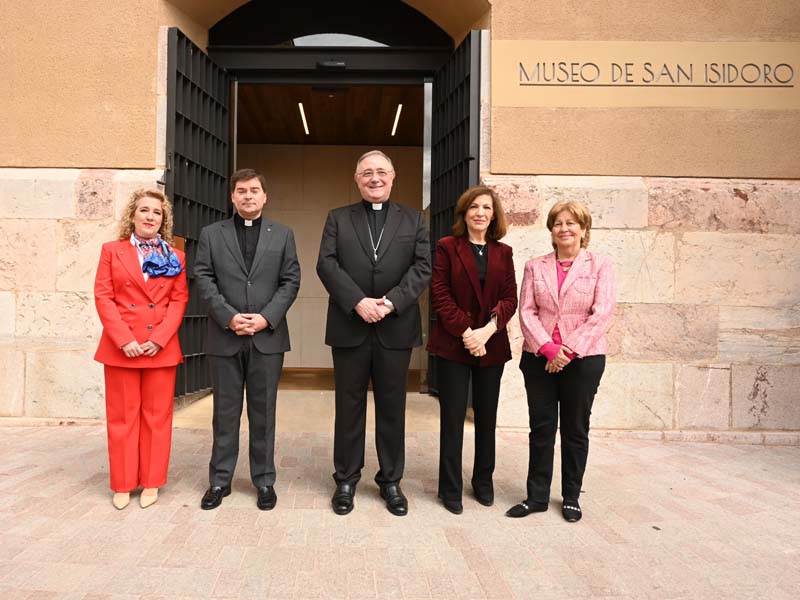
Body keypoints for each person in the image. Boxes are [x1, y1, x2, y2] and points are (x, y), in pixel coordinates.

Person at [317, 150, 431, 516]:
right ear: (357, 179)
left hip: (395, 327)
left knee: (392, 408)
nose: (375, 178)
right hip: (350, 326)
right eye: (367, 173)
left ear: (393, 176)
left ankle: (391, 481)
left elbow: (423, 268)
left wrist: (390, 303)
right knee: (348, 407)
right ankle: (346, 480)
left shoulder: (414, 220)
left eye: (381, 172)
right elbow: (327, 264)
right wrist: (358, 302)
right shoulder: (338, 218)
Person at [194, 168, 301, 510]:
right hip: (225, 337)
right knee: (225, 413)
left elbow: (291, 281)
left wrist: (266, 317)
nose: (248, 196)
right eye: (241, 191)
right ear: (233, 197)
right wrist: (229, 317)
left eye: (255, 190)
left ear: (265, 196)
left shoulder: (283, 235)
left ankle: (264, 480)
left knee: (263, 413)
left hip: (267, 337)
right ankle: (220, 480)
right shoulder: (212, 234)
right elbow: (204, 278)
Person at [507, 200, 615, 522]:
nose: (564, 228)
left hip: (583, 360)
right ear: (551, 230)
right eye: (558, 223)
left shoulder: (600, 265)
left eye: (572, 223)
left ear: (584, 229)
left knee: (575, 429)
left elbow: (603, 312)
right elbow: (526, 311)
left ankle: (571, 496)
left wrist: (566, 350)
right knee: (541, 428)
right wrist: (547, 349)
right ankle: (536, 496)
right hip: (539, 358)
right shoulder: (534, 266)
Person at [94, 188, 188, 510]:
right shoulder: (112, 251)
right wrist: (124, 339)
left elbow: (178, 300)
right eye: (144, 210)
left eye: (157, 213)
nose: (150, 217)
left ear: (164, 220)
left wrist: (159, 338)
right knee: (122, 419)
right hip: (122, 348)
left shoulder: (175, 256)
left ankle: (151, 481)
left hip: (159, 348)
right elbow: (103, 297)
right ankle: (122, 483)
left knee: (156, 418)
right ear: (132, 215)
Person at [427, 186, 517, 515]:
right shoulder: (447, 248)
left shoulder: (503, 252)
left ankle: (483, 482)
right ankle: (449, 488)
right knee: (452, 418)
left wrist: (488, 331)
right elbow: (440, 294)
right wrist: (467, 332)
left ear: (494, 215)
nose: (480, 212)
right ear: (464, 213)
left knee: (486, 417)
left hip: (491, 345)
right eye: (474, 207)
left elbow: (510, 298)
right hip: (454, 343)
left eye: (486, 208)